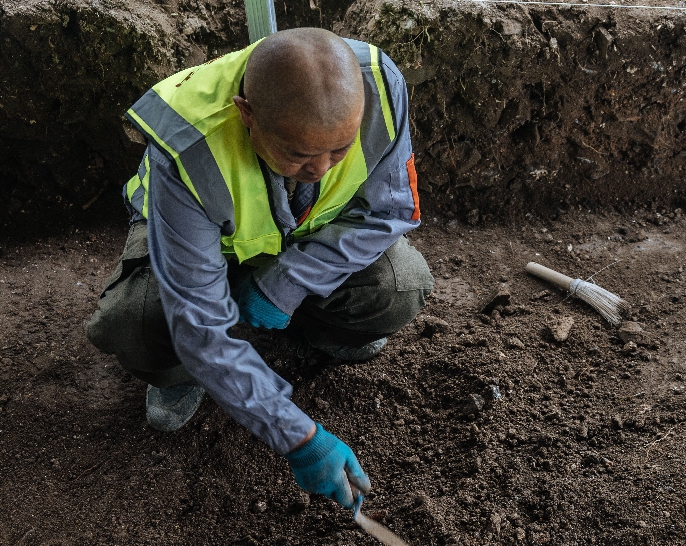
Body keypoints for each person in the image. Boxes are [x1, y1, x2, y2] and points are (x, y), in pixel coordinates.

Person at [86, 28, 433, 509]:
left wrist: (287, 283)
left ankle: (310, 322)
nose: (323, 170)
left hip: (303, 234)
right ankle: (181, 374)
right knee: (141, 321)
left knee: (399, 286)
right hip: (205, 246)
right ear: (246, 114)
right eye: (299, 154)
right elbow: (200, 322)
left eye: (340, 150)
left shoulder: (378, 87)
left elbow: (392, 211)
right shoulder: (190, 148)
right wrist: (298, 436)